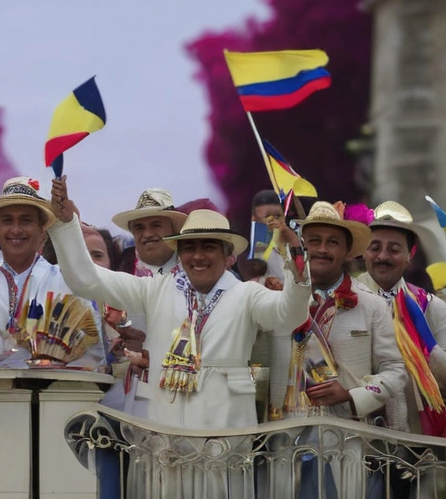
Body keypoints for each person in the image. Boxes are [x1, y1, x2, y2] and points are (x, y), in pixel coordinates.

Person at [49, 177, 311, 429]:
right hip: (168, 437)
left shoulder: (247, 295)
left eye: (208, 247)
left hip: (226, 437)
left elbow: (289, 315)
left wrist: (297, 265)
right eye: (189, 247)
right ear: (179, 252)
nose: (197, 256)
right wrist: (67, 224)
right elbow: (87, 280)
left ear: (227, 254)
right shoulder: (155, 289)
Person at [265, 201, 406, 426]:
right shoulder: (277, 300)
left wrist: (354, 394)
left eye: (332, 242)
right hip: (286, 433)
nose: (322, 249)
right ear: (303, 246)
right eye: (314, 241)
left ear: (346, 251)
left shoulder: (372, 305)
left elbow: (396, 371)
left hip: (349, 437)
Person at [0, 177, 104, 371]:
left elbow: (94, 357)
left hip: (58, 396)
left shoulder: (68, 284)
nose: (16, 229)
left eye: (26, 220)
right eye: (7, 220)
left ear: (42, 229)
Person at [356, 200, 446, 434]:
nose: (383, 256)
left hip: (418, 444)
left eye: (394, 250)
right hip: (356, 439)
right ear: (364, 250)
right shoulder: (345, 301)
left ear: (410, 254)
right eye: (375, 247)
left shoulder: (431, 307)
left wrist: (424, 340)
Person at [102, 189, 189, 416]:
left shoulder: (196, 273)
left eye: (156, 225)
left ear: (174, 230)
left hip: (187, 392)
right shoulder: (121, 273)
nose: (147, 233)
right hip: (133, 397)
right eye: (139, 227)